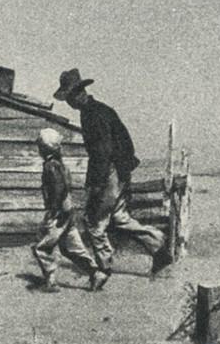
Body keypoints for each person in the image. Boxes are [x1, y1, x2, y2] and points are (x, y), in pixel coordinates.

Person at [53, 69, 170, 290]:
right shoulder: (100, 110)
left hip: (110, 172)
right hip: (119, 171)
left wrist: (96, 185)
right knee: (120, 218)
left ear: (77, 94)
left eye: (68, 98)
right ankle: (159, 247)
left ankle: (103, 270)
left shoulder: (92, 115)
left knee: (94, 223)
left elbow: (102, 153)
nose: (68, 103)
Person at [31, 127, 96, 292]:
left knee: (42, 245)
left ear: (45, 148)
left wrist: (55, 209)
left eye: (40, 146)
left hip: (59, 211)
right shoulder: (61, 164)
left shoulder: (50, 166)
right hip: (67, 209)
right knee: (71, 246)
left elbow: (58, 188)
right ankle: (94, 271)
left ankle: (51, 280)